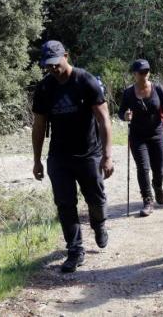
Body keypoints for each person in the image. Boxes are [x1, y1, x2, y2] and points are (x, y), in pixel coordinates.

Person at [32, 40, 114, 273]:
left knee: (96, 199)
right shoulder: (45, 88)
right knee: (65, 203)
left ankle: (99, 224)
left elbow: (104, 120)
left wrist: (107, 156)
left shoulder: (85, 81)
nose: (52, 69)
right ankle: (75, 250)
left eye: (55, 63)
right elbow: (39, 126)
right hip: (59, 156)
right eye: (48, 65)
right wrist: (37, 160)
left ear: (66, 56)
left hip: (88, 153)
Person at [118, 59, 163, 217]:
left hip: (157, 134)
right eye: (141, 72)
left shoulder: (158, 89)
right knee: (143, 168)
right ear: (135, 74)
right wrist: (125, 116)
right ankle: (148, 200)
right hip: (137, 136)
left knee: (159, 170)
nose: (144, 75)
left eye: (147, 71)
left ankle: (157, 186)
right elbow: (121, 112)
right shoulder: (128, 93)